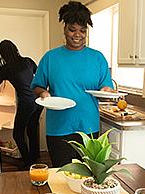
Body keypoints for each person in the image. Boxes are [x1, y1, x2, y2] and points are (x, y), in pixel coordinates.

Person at [31, 1, 114, 167]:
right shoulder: (50, 58)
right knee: (61, 175)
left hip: (89, 128)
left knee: (87, 178)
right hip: (58, 128)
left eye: (82, 31)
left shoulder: (98, 58)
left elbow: (106, 88)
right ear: (64, 29)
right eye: (72, 29)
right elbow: (36, 86)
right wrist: (43, 93)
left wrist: (107, 90)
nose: (77, 35)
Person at [0, 40, 43, 168]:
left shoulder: (6, 69)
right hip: (38, 101)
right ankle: (35, 157)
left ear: (2, 54)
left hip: (26, 102)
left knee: (18, 133)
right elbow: (39, 76)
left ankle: (28, 163)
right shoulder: (28, 61)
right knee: (32, 129)